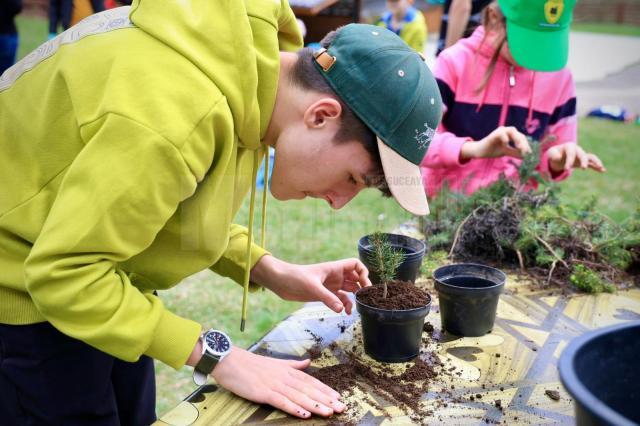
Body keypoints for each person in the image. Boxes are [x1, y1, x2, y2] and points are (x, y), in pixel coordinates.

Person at [0, 0, 442, 423]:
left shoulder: (251, 89)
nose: (340, 202)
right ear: (322, 115)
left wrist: (266, 268)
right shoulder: (173, 113)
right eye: (353, 179)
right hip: (24, 297)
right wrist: (219, 357)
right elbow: (63, 273)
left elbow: (165, 204)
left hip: (105, 282)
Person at [421, 0, 605, 198]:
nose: (536, 56)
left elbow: (550, 155)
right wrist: (474, 149)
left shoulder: (559, 77)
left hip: (510, 214)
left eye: (544, 43)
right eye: (527, 42)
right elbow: (419, 140)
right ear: (493, 18)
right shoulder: (454, 62)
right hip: (442, 209)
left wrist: (555, 161)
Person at [0, 0, 22, 74]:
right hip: (7, 35)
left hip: (7, 35)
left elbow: (17, 7)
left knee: (7, 75)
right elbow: (17, 7)